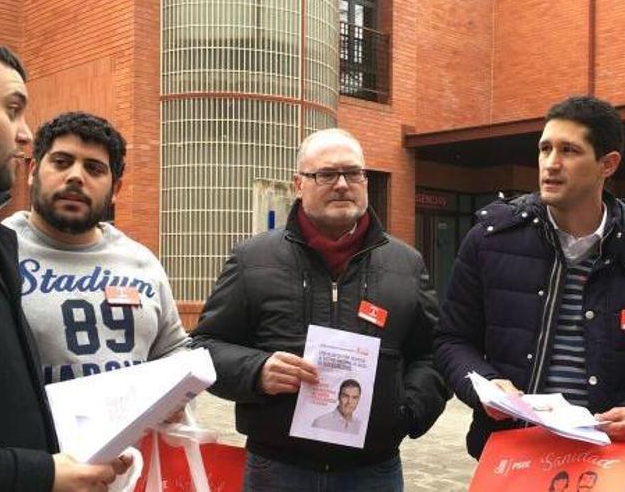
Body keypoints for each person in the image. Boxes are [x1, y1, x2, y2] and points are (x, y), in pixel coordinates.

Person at [434, 95, 625, 487]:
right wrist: (486, 385)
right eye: (545, 148)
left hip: (612, 464)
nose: (551, 163)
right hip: (514, 459)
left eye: (569, 150)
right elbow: (451, 340)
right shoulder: (490, 240)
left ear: (607, 165)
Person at [191, 128, 449, 491]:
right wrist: (256, 371)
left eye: (353, 173)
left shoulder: (405, 263)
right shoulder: (253, 259)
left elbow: (433, 353)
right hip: (278, 469)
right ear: (299, 184)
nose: (342, 184)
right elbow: (203, 346)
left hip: (372, 471)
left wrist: (406, 412)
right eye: (326, 174)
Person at [0, 34, 129, 491]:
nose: (22, 132)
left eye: (95, 169)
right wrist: (40, 474)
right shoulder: (11, 241)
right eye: (12, 107)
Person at [3, 111, 189, 384]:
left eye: (94, 168)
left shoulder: (141, 261)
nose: (76, 176)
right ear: (33, 171)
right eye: (62, 162)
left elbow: (173, 349)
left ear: (115, 189)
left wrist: (177, 404)